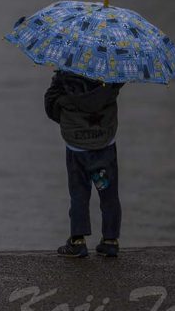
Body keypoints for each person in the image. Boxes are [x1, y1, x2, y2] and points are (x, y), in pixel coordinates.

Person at [44, 70, 124, 258]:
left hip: (76, 147)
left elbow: (50, 104)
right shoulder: (111, 76)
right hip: (104, 146)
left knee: (79, 194)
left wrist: (67, 118)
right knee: (109, 195)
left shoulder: (65, 75)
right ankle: (110, 240)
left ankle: (78, 241)